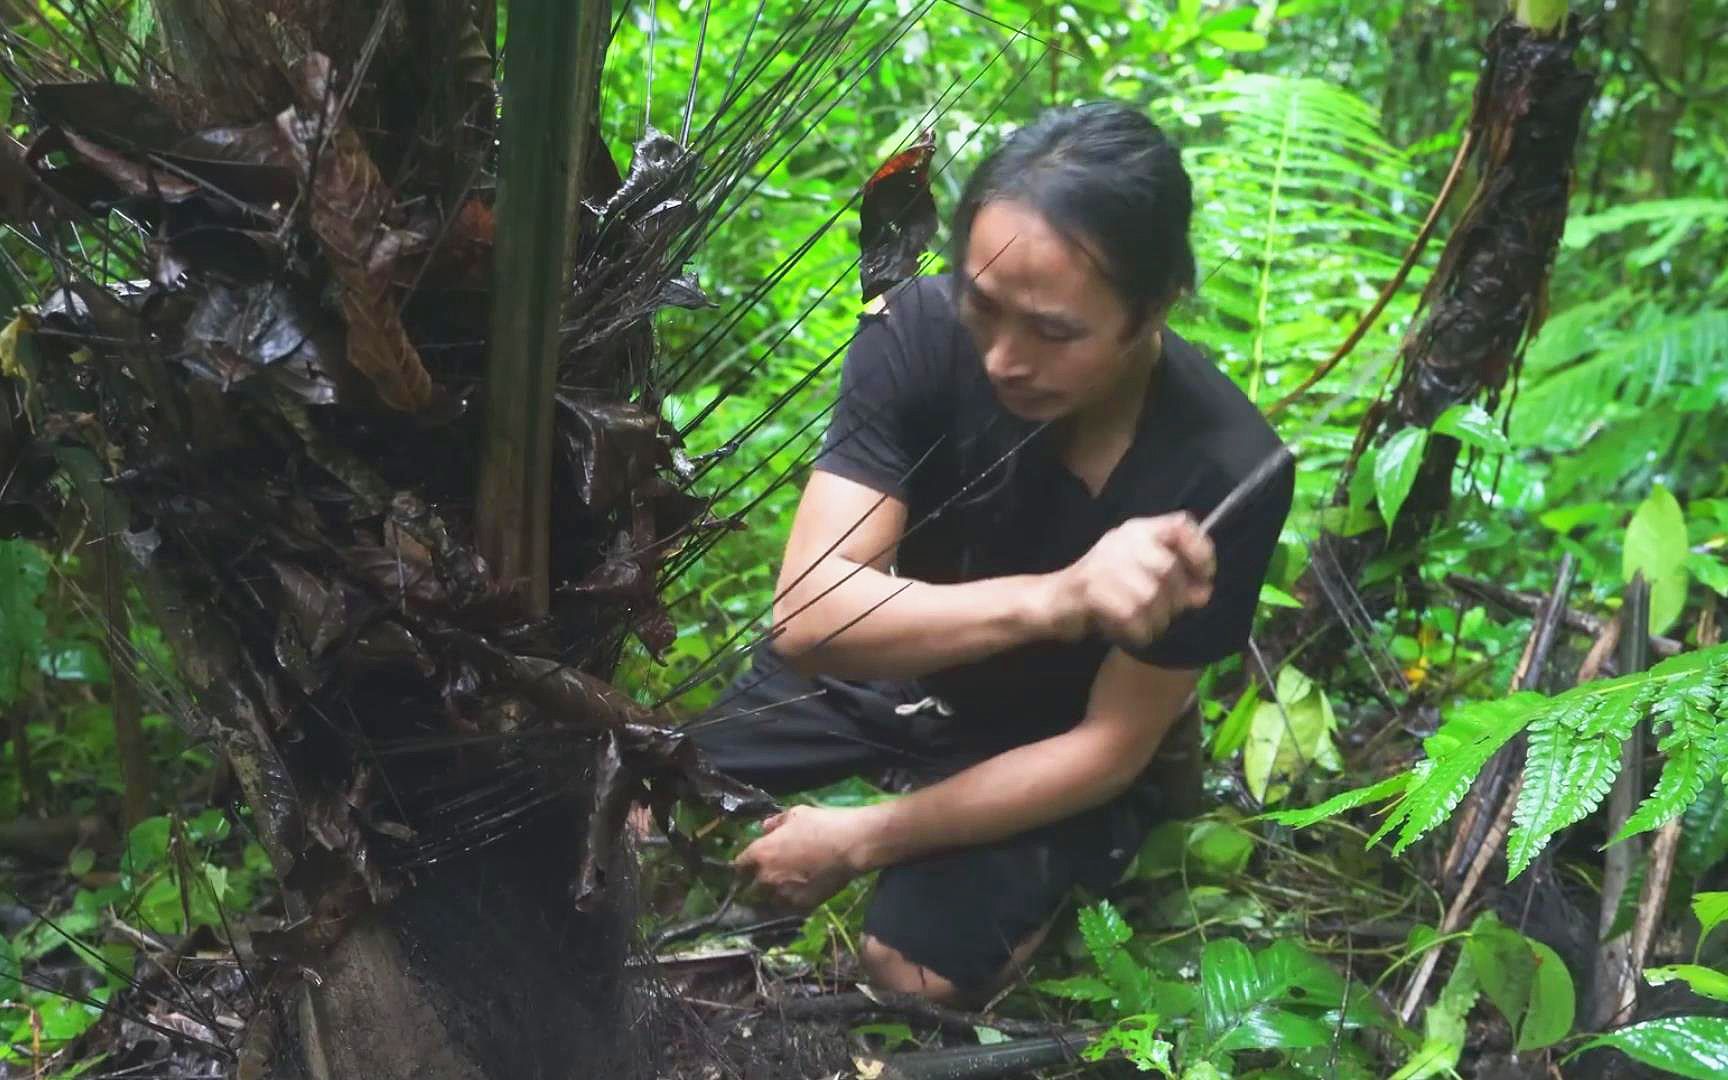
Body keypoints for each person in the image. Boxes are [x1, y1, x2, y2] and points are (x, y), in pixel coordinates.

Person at [692, 102, 1293, 1006]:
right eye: (984, 303)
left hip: (1039, 735)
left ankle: (1059, 882)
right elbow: (812, 618)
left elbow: (1109, 745)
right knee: (642, 800)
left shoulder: (1226, 471)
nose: (1006, 359)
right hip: (893, 668)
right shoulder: (920, 331)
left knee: (910, 975)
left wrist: (859, 838)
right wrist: (1062, 597)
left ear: (1155, 305)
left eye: (1054, 332)